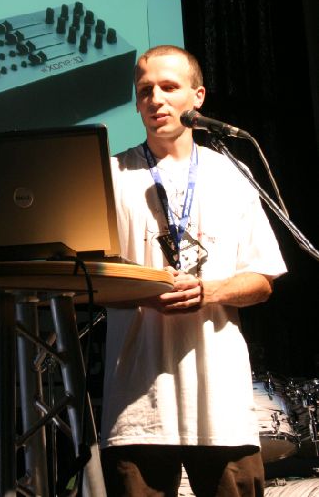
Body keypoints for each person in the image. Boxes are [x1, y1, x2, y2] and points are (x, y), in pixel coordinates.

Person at [100, 45, 287, 496]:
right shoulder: (111, 175)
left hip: (221, 405)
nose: (156, 99)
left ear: (197, 97)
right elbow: (88, 282)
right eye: (145, 90)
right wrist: (144, 293)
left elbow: (262, 280)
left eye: (169, 87)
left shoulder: (233, 174)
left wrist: (210, 292)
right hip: (138, 407)